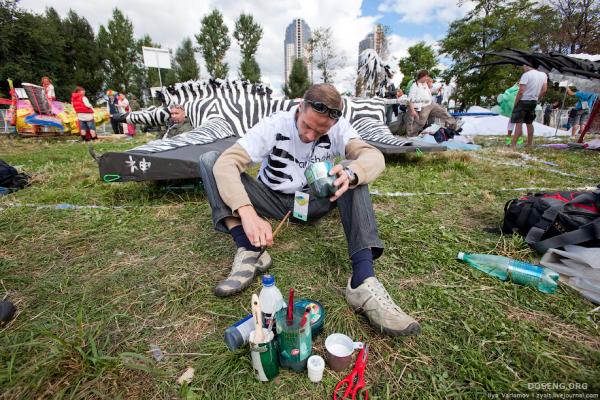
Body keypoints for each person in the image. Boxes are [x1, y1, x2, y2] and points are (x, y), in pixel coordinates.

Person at [197, 83, 420, 337]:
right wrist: (247, 213)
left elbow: (373, 157)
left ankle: (363, 279)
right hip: (270, 198)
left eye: (321, 131)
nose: (310, 136)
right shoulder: (274, 125)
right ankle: (249, 247)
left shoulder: (340, 128)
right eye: (306, 126)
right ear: (299, 107)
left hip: (313, 200)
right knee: (211, 161)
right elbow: (228, 162)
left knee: (352, 172)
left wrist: (351, 173)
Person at [406, 70, 457, 136]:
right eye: (426, 77)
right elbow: (410, 99)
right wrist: (412, 110)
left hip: (431, 103)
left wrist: (436, 90)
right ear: (422, 76)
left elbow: (428, 92)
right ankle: (411, 135)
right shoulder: (414, 86)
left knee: (443, 112)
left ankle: (453, 126)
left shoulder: (424, 84)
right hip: (424, 106)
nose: (427, 78)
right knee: (421, 122)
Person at [510, 65, 547, 148]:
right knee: (529, 122)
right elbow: (544, 90)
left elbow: (521, 91)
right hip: (533, 101)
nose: (523, 67)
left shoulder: (526, 75)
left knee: (518, 123)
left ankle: (513, 145)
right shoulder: (543, 75)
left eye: (523, 66)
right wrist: (537, 98)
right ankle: (530, 143)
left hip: (523, 100)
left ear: (527, 65)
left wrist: (515, 103)